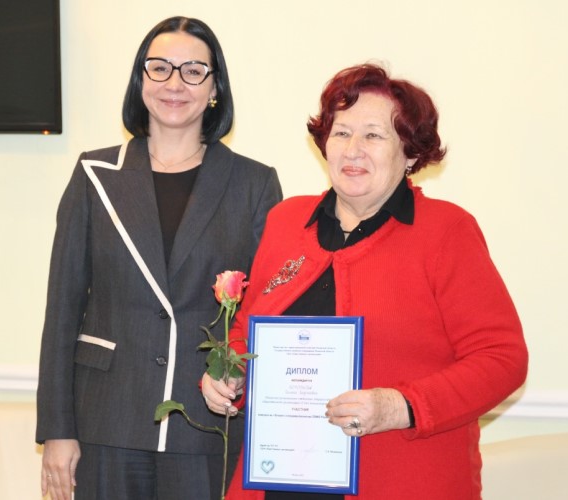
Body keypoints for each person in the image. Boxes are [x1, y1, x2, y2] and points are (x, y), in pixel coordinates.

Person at [202, 63, 528, 499]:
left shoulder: (447, 231)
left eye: (374, 135)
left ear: (410, 153)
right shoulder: (285, 222)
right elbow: (248, 329)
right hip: (278, 479)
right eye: (341, 133)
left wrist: (400, 406)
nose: (353, 150)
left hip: (404, 483)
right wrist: (228, 375)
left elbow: (502, 359)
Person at [36, 16, 283, 500]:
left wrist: (236, 377)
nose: (175, 83)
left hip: (205, 425)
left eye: (193, 71)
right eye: (160, 68)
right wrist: (57, 430)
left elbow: (267, 308)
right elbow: (62, 309)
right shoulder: (95, 174)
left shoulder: (254, 184)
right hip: (105, 421)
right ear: (140, 79)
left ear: (214, 88)